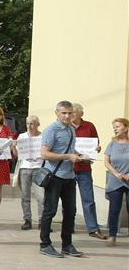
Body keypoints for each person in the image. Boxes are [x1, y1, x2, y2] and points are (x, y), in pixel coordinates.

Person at [38, 100, 88, 258]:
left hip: (69, 176)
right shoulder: (51, 130)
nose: (67, 116)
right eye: (64, 113)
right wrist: (68, 156)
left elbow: (72, 150)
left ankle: (67, 244)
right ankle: (45, 244)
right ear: (57, 113)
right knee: (50, 211)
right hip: (54, 176)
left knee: (70, 211)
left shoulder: (71, 129)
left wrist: (81, 157)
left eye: (70, 113)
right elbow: (44, 154)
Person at [71, 103, 106, 239]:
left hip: (84, 168)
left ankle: (93, 229)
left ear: (81, 113)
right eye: (69, 112)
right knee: (69, 200)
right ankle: (69, 226)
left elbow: (96, 144)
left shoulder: (89, 126)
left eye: (74, 112)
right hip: (69, 168)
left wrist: (96, 149)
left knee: (88, 199)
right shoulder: (66, 127)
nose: (71, 115)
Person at [103, 118, 129, 246]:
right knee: (114, 210)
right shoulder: (112, 144)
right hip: (115, 181)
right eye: (114, 127)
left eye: (118, 126)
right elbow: (106, 162)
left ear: (126, 127)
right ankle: (112, 236)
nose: (115, 129)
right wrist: (116, 173)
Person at [17, 115, 45, 230]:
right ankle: (27, 219)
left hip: (38, 168)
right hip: (25, 168)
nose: (30, 126)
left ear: (38, 125)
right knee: (25, 196)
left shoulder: (43, 137)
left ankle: (42, 220)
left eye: (32, 123)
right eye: (28, 123)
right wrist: (14, 147)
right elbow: (17, 154)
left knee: (41, 197)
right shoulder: (22, 136)